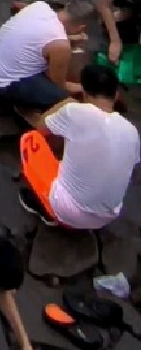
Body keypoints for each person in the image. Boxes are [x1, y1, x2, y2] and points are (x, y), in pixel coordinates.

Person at [19, 62, 141, 230]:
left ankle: (46, 208)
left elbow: (41, 126)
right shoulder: (132, 131)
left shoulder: (73, 111)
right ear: (116, 94)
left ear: (84, 92)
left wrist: (64, 103)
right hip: (107, 217)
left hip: (67, 211)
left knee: (30, 138)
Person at [0, 0, 91, 108]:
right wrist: (85, 89)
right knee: (62, 98)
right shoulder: (61, 46)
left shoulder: (41, 6)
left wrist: (69, 39)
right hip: (1, 85)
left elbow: (42, 35)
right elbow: (59, 85)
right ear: (82, 28)